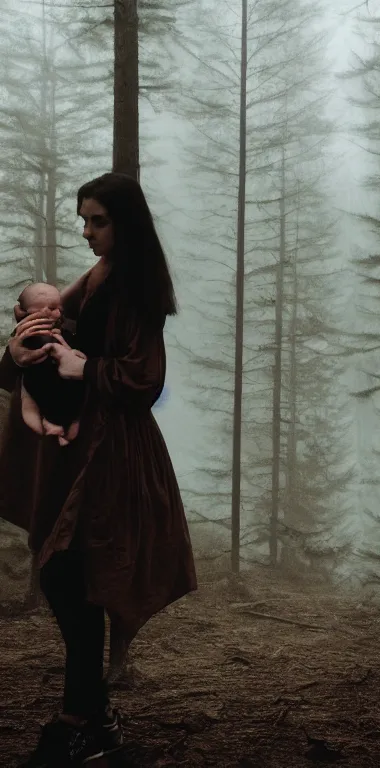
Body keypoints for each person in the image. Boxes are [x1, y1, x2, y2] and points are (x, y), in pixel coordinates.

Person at [0, 172, 197, 766]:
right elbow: (47, 335)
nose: (86, 231)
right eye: (84, 220)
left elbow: (145, 379)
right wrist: (15, 351)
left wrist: (86, 371)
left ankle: (83, 718)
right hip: (83, 449)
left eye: (98, 220)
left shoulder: (137, 284)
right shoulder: (98, 276)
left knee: (75, 576)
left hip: (114, 453)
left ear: (125, 221)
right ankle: (89, 717)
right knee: (66, 577)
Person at [17, 282, 85, 446]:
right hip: (42, 383)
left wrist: (69, 350)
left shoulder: (63, 331)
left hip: (68, 382)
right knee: (38, 389)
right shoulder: (28, 333)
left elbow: (73, 354)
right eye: (52, 308)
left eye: (59, 309)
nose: (58, 313)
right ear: (32, 313)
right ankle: (51, 422)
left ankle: (70, 420)